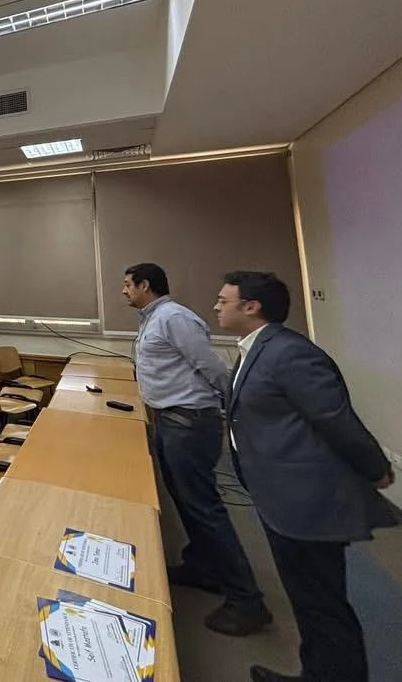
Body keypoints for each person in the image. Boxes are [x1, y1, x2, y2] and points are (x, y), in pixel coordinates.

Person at [215, 271, 396, 682]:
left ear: (251, 306)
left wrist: (375, 469)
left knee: (322, 602)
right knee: (307, 598)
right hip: (280, 496)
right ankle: (316, 672)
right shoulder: (254, 349)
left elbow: (335, 418)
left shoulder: (290, 353)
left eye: (223, 300)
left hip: (306, 500)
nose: (216, 306)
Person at [122, 263, 270, 636]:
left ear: (145, 285)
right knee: (185, 499)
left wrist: (231, 406)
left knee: (203, 506)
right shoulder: (153, 317)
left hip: (188, 422)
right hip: (171, 420)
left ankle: (247, 599)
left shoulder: (173, 317)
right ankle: (202, 565)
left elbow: (213, 369)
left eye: (128, 285)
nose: (124, 291)